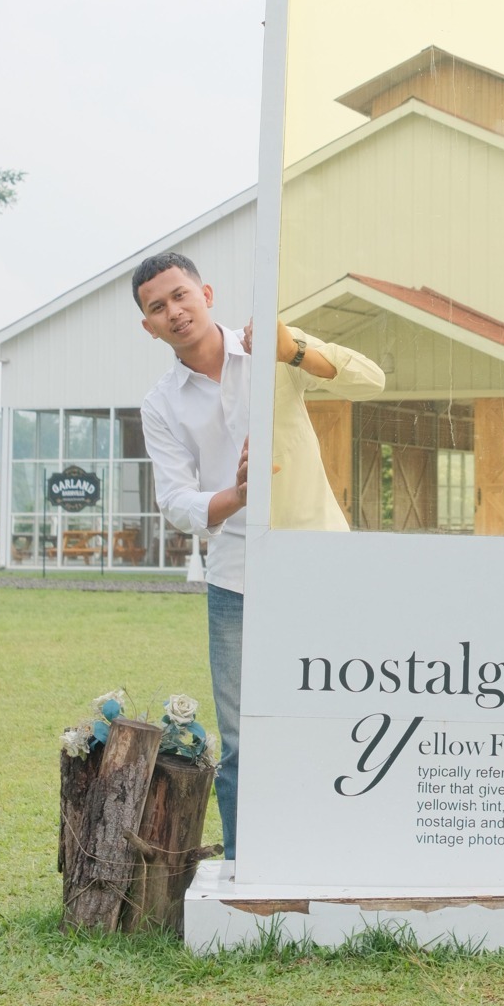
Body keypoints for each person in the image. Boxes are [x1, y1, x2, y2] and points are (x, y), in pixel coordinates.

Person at [133, 250, 385, 866]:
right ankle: (250, 874)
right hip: (236, 579)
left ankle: (353, 858)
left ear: (206, 294)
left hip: (323, 561)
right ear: (149, 326)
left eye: (180, 295)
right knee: (244, 738)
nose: (174, 311)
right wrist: (238, 496)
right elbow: (176, 502)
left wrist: (292, 349)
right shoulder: (160, 403)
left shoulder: (268, 349)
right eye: (158, 307)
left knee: (345, 718)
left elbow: (370, 380)